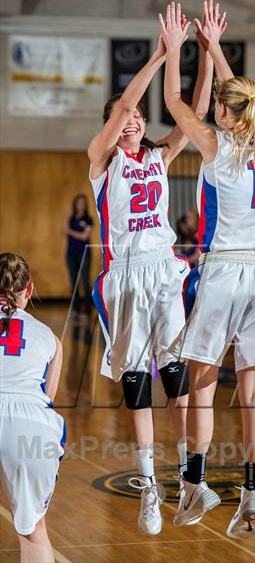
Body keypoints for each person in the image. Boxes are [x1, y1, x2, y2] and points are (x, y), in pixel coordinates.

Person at [160, 0, 255, 539]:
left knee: (203, 383)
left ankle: (196, 482)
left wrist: (176, 52)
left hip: (227, 272)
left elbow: (171, 100)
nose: (212, 107)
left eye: (218, 104)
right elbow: (243, 97)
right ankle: (254, 492)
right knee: (254, 390)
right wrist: (214, 47)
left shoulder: (214, 145)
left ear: (226, 115)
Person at [87, 18, 214, 535]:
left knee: (177, 382)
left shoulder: (161, 156)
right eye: (128, 116)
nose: (135, 119)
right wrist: (161, 55)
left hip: (163, 272)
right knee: (137, 387)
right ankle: (149, 488)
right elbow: (119, 107)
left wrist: (203, 51)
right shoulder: (100, 161)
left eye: (141, 115)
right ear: (115, 127)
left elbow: (197, 113)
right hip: (125, 278)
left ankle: (187, 478)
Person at [0, 253, 65, 563]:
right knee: (32, 529)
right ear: (29, 289)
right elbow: (48, 398)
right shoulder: (50, 338)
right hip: (30, 421)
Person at [65, 194, 93, 319]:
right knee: (74, 282)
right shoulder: (71, 219)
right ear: (75, 205)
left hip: (84, 254)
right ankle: (75, 310)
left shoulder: (88, 219)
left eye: (82, 203)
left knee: (85, 281)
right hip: (71, 254)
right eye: (78, 203)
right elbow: (64, 229)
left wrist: (70, 231)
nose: (80, 205)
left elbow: (84, 236)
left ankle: (87, 311)